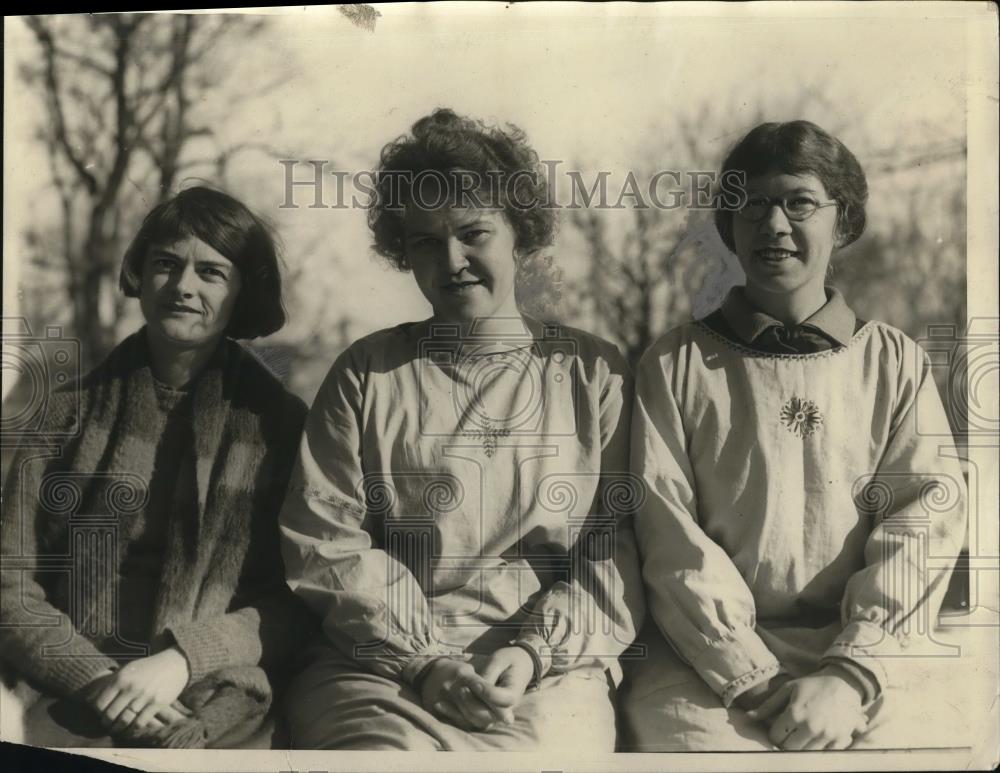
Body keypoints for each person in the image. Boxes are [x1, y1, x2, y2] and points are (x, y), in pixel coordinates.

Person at [279, 108, 645, 751]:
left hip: (545, 668)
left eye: (473, 233)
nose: (453, 261)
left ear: (519, 235)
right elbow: (325, 542)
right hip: (380, 668)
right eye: (425, 242)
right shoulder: (367, 373)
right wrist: (422, 661)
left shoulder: (592, 375)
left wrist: (534, 651)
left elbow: (615, 550)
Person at [620, 120, 967, 751]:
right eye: (752, 205)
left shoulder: (894, 362)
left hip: (861, 648)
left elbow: (924, 519)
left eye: (799, 202)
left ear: (844, 221)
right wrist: (750, 678)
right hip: (705, 659)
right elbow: (666, 533)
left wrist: (850, 671)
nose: (774, 225)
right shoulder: (675, 365)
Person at [0, 186, 315, 748]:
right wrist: (96, 681)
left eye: (211, 273)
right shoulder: (60, 415)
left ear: (244, 290)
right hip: (66, 684)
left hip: (218, 691)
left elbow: (300, 597)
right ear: (139, 275)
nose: (184, 287)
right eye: (166, 264)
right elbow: (10, 585)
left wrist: (183, 659)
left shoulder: (282, 426)